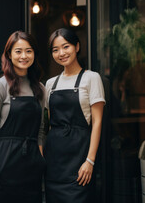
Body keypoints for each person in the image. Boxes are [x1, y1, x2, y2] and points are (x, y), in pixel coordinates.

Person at [0, 31, 46, 203]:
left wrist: (39, 159)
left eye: (29, 51)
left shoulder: (40, 88)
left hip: (31, 166)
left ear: (34, 54)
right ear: (9, 54)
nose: (24, 56)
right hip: (4, 164)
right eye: (18, 51)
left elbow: (40, 130)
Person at [44, 28, 105, 203]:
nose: (61, 53)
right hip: (54, 160)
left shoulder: (92, 78)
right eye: (55, 50)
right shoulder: (50, 84)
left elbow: (97, 122)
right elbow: (48, 124)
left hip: (80, 158)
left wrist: (90, 161)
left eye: (66, 47)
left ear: (77, 47)